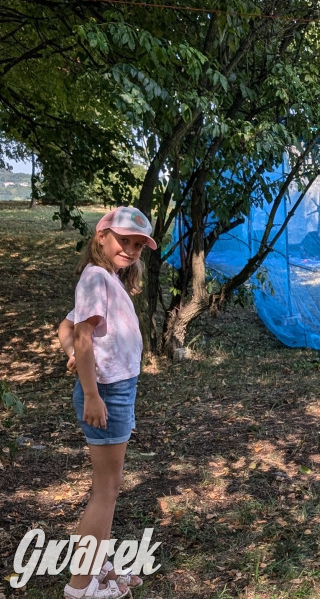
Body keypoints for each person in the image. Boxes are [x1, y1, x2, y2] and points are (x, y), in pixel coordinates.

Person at [63, 206, 157, 599]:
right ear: (101, 237)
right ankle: (80, 587)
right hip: (108, 394)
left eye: (138, 244)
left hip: (118, 391)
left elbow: (67, 328)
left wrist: (72, 351)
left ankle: (98, 564)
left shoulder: (107, 278)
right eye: (124, 239)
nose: (131, 249)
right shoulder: (95, 278)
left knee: (109, 487)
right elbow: (81, 335)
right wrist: (91, 394)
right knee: (106, 489)